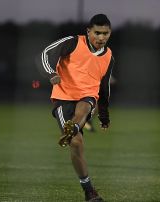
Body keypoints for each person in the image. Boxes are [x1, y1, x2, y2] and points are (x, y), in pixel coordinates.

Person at [37, 14, 114, 201]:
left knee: (86, 105)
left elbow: (104, 88)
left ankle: (74, 126)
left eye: (105, 33)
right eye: (97, 33)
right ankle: (88, 188)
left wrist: (104, 115)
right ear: (88, 31)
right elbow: (46, 53)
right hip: (63, 97)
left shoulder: (109, 56)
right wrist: (51, 73)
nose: (101, 37)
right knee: (76, 143)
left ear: (109, 34)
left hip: (88, 96)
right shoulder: (73, 42)